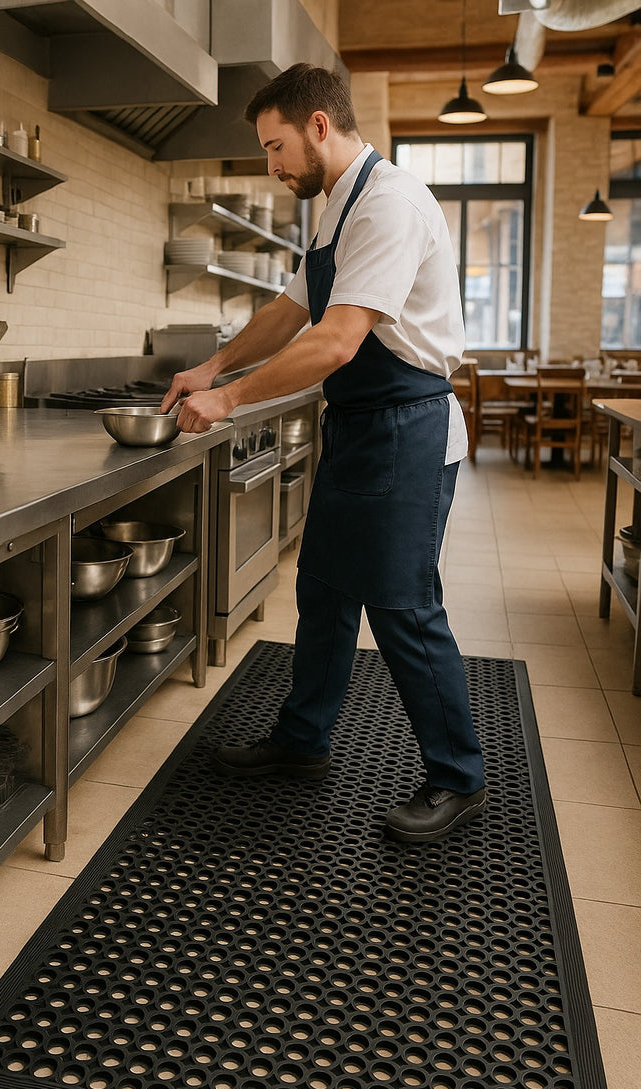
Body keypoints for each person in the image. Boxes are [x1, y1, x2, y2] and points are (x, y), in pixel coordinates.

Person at [160, 63, 485, 844]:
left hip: (406, 427)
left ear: (318, 127)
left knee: (402, 605)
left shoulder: (391, 204)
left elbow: (337, 341)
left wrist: (230, 400)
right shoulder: (336, 203)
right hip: (360, 425)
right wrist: (211, 366)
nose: (271, 167)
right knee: (326, 588)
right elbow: (291, 310)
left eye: (275, 148)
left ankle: (458, 777)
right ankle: (302, 741)